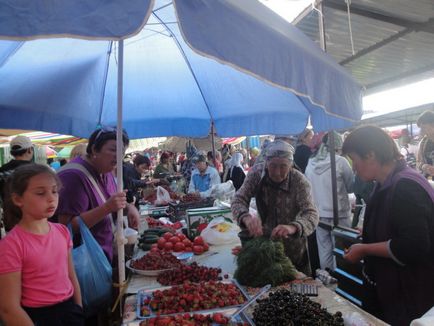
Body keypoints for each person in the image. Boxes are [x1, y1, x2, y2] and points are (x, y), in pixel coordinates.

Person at [342, 125, 434, 326]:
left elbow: (414, 245)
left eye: (354, 160)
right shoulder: (384, 183)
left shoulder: (406, 186)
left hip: (409, 296)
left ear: (370, 155)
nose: (354, 168)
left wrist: (365, 248)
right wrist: (370, 230)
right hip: (389, 290)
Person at [0, 164, 83, 326]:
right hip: (37, 317)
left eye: (54, 191)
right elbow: (8, 308)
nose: (51, 198)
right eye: (40, 193)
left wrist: (78, 308)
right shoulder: (11, 245)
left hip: (69, 311)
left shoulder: (62, 231)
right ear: (18, 199)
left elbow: (71, 276)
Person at [231, 140, 319, 275]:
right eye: (273, 166)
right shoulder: (256, 174)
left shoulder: (299, 181)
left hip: (294, 252)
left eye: (283, 166)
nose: (277, 172)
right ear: (266, 163)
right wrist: (246, 217)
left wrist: (293, 227)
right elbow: (238, 199)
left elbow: (311, 214)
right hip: (264, 251)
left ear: (290, 165)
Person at [55, 127, 133, 262]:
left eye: (122, 151)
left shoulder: (106, 170)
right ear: (94, 149)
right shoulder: (72, 176)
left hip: (105, 255)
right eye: (113, 150)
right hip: (85, 263)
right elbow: (66, 227)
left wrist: (129, 208)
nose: (118, 156)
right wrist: (107, 208)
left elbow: (111, 203)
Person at [305, 131, 354, 270]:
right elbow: (351, 187)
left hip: (319, 215)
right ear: (338, 147)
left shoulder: (310, 163)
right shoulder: (341, 162)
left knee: (324, 250)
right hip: (340, 214)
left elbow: (307, 188)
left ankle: (328, 280)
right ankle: (342, 281)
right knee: (343, 250)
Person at [0, 135, 34, 232]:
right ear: (29, 150)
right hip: (32, 218)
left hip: (10, 219)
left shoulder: (3, 170)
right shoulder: (36, 171)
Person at [416, 110, 434, 178]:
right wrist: (423, 166)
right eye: (421, 128)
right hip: (429, 182)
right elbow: (418, 162)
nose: (421, 132)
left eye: (424, 128)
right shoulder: (423, 143)